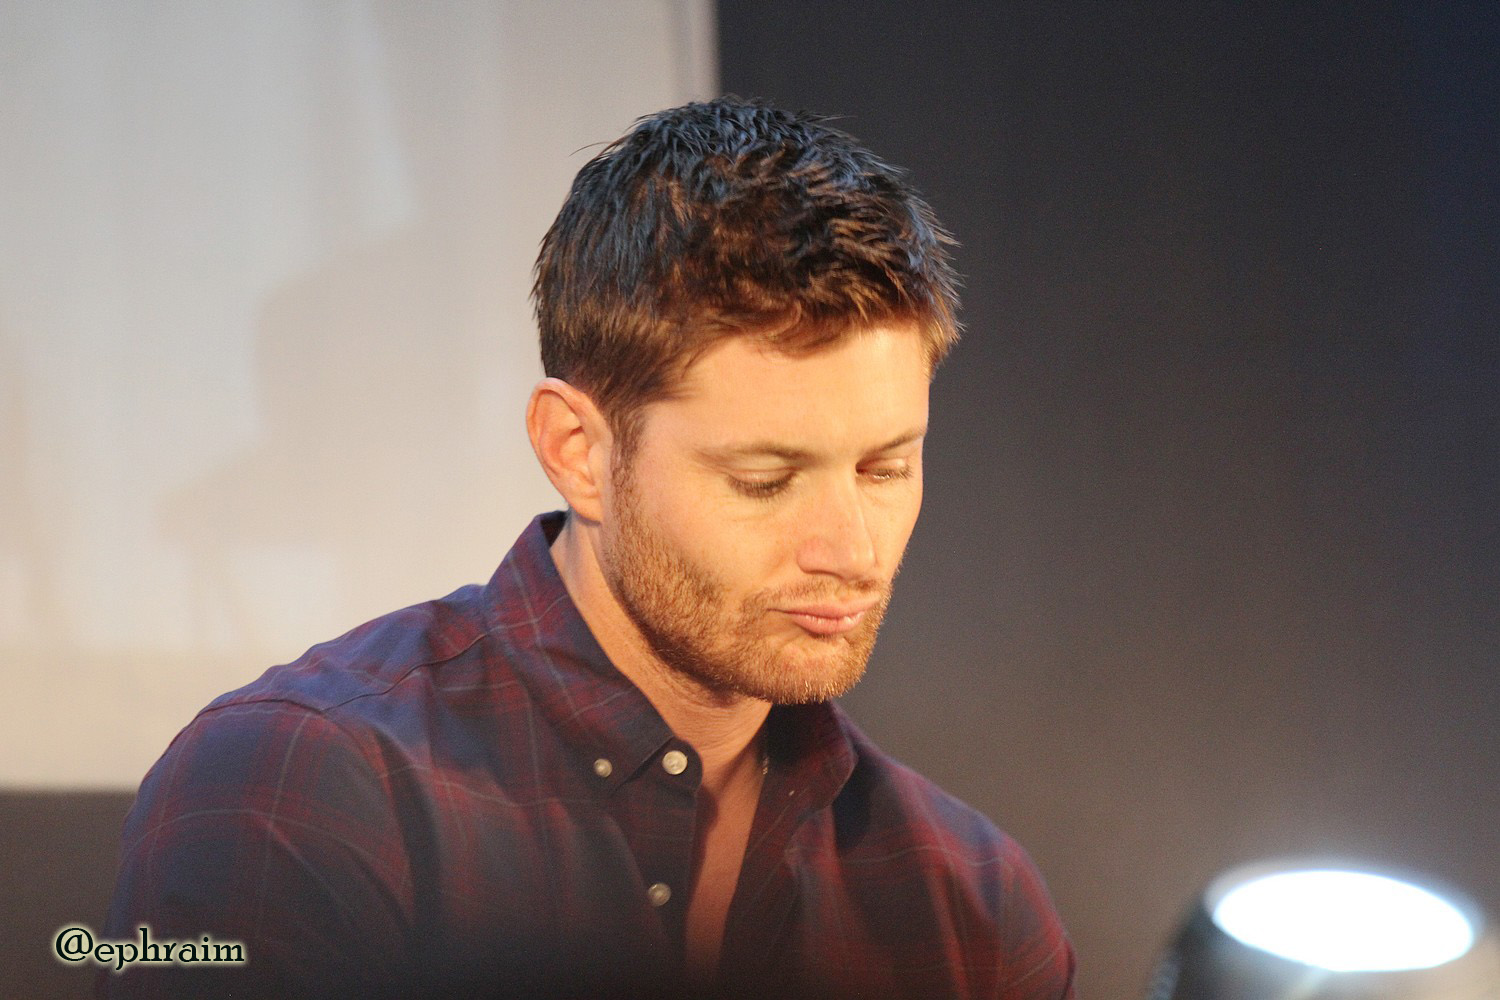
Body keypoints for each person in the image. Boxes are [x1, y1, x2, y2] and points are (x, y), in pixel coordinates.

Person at [100, 97, 1076, 1000]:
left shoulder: (970, 903)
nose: (851, 549)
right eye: (764, 478)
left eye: (885, 468)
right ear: (577, 451)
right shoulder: (295, 791)